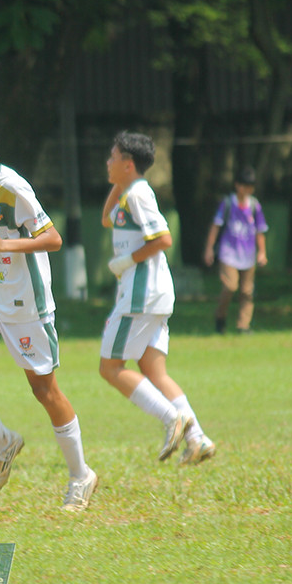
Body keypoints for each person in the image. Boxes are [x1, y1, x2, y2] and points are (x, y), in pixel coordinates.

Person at [0, 118, 98, 512]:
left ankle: (81, 475)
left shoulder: (13, 188)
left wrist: (7, 245)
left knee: (44, 391)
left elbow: (53, 238)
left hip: (26, 303)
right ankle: (4, 441)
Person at [98, 131, 215, 465]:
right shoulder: (129, 193)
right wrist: (118, 182)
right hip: (155, 294)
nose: (108, 161)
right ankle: (198, 439)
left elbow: (163, 238)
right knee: (152, 368)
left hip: (142, 294)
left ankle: (172, 418)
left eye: (113, 157)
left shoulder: (139, 195)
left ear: (128, 163)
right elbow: (106, 220)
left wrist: (127, 260)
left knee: (110, 368)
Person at [202, 166, 269, 334]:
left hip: (248, 255)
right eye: (245, 185)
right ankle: (220, 316)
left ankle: (243, 325)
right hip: (229, 253)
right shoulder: (227, 204)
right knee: (230, 287)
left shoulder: (254, 205)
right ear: (237, 185)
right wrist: (209, 249)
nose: (248, 189)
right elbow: (215, 226)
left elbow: (260, 230)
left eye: (251, 186)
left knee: (247, 291)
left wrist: (262, 252)